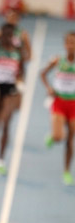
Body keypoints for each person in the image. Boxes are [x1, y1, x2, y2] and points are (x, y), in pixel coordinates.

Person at [0, 23, 25, 176]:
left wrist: (20, 84)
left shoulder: (17, 52)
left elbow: (22, 71)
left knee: (6, 123)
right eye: (4, 35)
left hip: (10, 91)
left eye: (10, 35)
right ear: (1, 35)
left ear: (13, 36)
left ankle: (0, 160)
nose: (7, 38)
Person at [40, 31, 75, 186]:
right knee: (59, 137)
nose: (71, 46)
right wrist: (49, 88)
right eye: (68, 42)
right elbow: (42, 74)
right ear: (64, 44)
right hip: (59, 102)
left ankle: (66, 171)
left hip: (73, 104)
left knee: (70, 140)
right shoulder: (58, 60)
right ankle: (53, 136)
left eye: (73, 43)